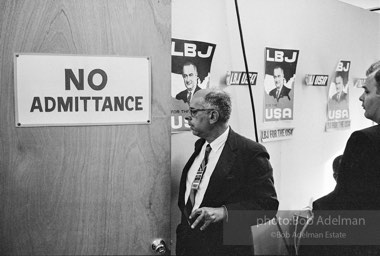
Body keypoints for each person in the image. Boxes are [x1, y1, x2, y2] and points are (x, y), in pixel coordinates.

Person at [176, 89, 279, 256]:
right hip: (189, 245)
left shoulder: (250, 153)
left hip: (226, 249)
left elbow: (267, 205)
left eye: (193, 112)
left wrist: (223, 212)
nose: (188, 117)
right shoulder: (201, 146)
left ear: (213, 116)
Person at [300, 60, 380, 255]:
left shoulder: (365, 140)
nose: (361, 98)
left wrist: (317, 209)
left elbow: (346, 201)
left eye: (367, 92)